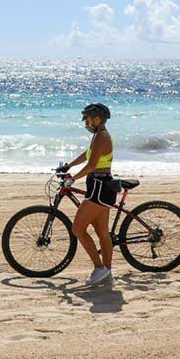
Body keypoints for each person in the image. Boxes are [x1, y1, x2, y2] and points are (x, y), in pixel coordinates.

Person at [61, 103, 116, 285]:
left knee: (77, 229)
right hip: (102, 187)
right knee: (103, 234)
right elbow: (88, 155)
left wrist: (73, 179)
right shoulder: (99, 136)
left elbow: (92, 165)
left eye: (88, 119)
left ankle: (100, 268)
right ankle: (106, 272)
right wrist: (69, 165)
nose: (86, 122)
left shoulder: (102, 137)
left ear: (97, 119)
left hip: (99, 188)